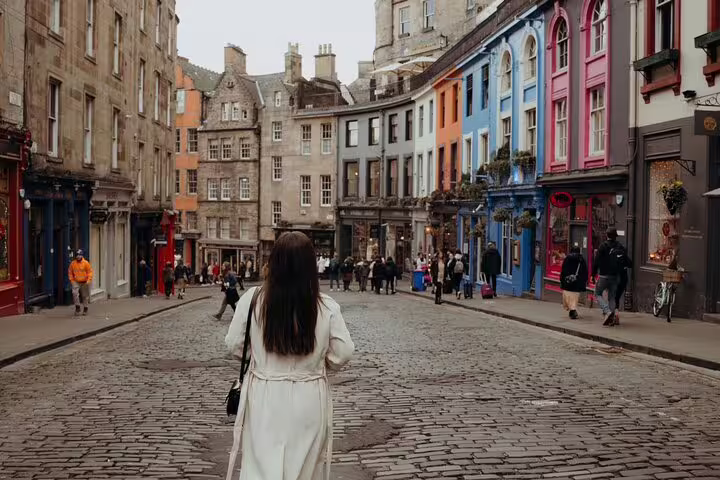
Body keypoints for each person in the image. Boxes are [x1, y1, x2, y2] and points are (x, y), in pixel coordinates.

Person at [224, 232, 354, 479]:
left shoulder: (253, 300)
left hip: (265, 394)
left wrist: (260, 356)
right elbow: (344, 352)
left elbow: (234, 344)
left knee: (261, 467)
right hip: (308, 397)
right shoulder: (325, 305)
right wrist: (318, 361)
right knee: (303, 469)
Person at [592, 227, 627, 326]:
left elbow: (596, 261)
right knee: (612, 297)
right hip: (615, 276)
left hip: (603, 275)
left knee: (597, 294)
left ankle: (607, 312)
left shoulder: (603, 246)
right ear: (616, 236)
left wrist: (593, 274)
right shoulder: (619, 246)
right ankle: (611, 318)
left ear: (606, 235)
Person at [560, 244, 589, 319]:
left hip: (568, 282)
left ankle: (572, 311)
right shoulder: (581, 259)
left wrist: (562, 280)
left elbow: (563, 270)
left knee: (568, 296)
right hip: (577, 282)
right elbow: (584, 271)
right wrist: (584, 281)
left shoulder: (567, 259)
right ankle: (573, 310)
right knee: (574, 298)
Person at [68, 249, 93, 316]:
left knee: (85, 296)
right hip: (76, 281)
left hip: (84, 281)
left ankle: (85, 308)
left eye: (79, 255)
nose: (78, 256)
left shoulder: (86, 263)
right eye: (77, 255)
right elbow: (70, 272)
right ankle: (77, 307)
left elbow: (90, 272)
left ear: (82, 256)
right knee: (74, 293)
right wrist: (72, 280)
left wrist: (88, 280)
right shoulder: (73, 264)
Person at [614, 248, 633, 324]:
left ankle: (612, 314)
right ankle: (616, 314)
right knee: (617, 297)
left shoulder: (612, 255)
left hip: (613, 279)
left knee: (613, 297)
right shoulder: (624, 256)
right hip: (623, 280)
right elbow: (630, 264)